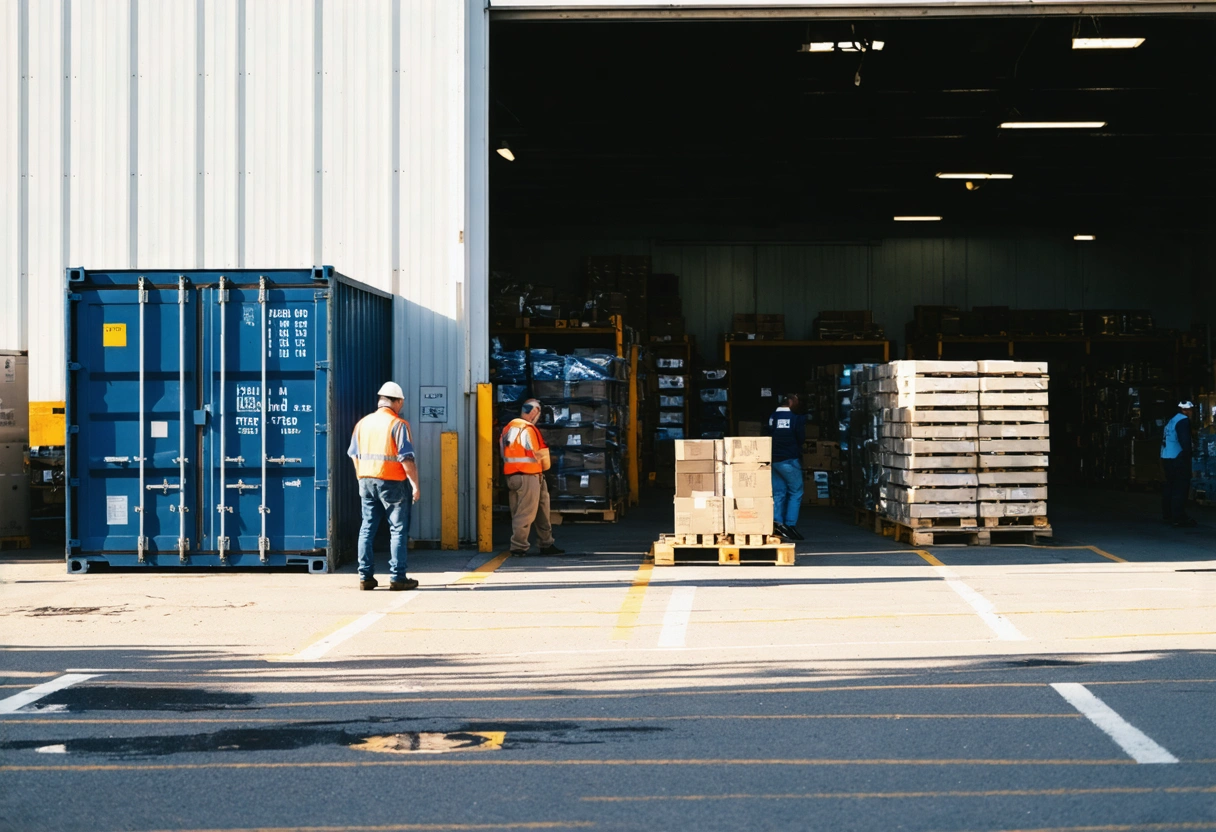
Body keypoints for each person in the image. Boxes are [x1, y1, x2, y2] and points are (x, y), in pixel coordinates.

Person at [349, 382, 421, 590]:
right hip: (392, 482)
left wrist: (361, 476)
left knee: (367, 528)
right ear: (397, 401)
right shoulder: (398, 424)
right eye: (402, 403)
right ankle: (398, 577)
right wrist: (415, 485)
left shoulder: (362, 423)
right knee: (398, 529)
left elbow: (354, 454)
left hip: (366, 480)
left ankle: (365, 577)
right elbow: (406, 459)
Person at [501, 399, 564, 556]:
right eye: (539, 413)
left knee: (541, 510)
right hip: (528, 476)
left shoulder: (507, 429)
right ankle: (518, 546)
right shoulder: (528, 429)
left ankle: (546, 543)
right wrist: (551, 462)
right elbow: (538, 453)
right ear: (534, 411)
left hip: (516, 476)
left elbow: (503, 453)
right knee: (525, 513)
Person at [765, 392, 806, 541]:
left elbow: (769, 433)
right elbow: (800, 438)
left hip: (774, 460)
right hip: (789, 459)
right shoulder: (796, 419)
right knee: (796, 491)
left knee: (778, 493)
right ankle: (790, 524)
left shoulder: (772, 417)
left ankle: (778, 523)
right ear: (791, 402)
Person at [1161, 400, 1195, 528]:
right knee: (1180, 487)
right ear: (1185, 410)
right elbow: (1185, 441)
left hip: (1167, 456)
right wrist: (1188, 454)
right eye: (1190, 410)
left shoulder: (1171, 421)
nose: (1191, 412)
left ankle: (1167, 514)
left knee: (1170, 486)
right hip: (1178, 457)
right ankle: (1178, 516)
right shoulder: (1183, 421)